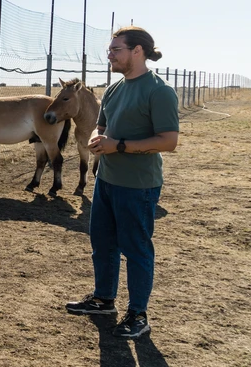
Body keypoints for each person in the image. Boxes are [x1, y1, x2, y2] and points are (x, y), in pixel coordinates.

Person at [66, 27, 179, 338]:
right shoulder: (115, 89)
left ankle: (138, 315)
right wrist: (95, 139)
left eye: (116, 49)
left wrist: (120, 146)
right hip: (106, 180)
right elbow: (99, 126)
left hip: (139, 185)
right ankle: (104, 299)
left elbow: (169, 141)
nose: (110, 55)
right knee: (102, 244)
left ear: (137, 51)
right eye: (110, 50)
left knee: (137, 248)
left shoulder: (159, 91)